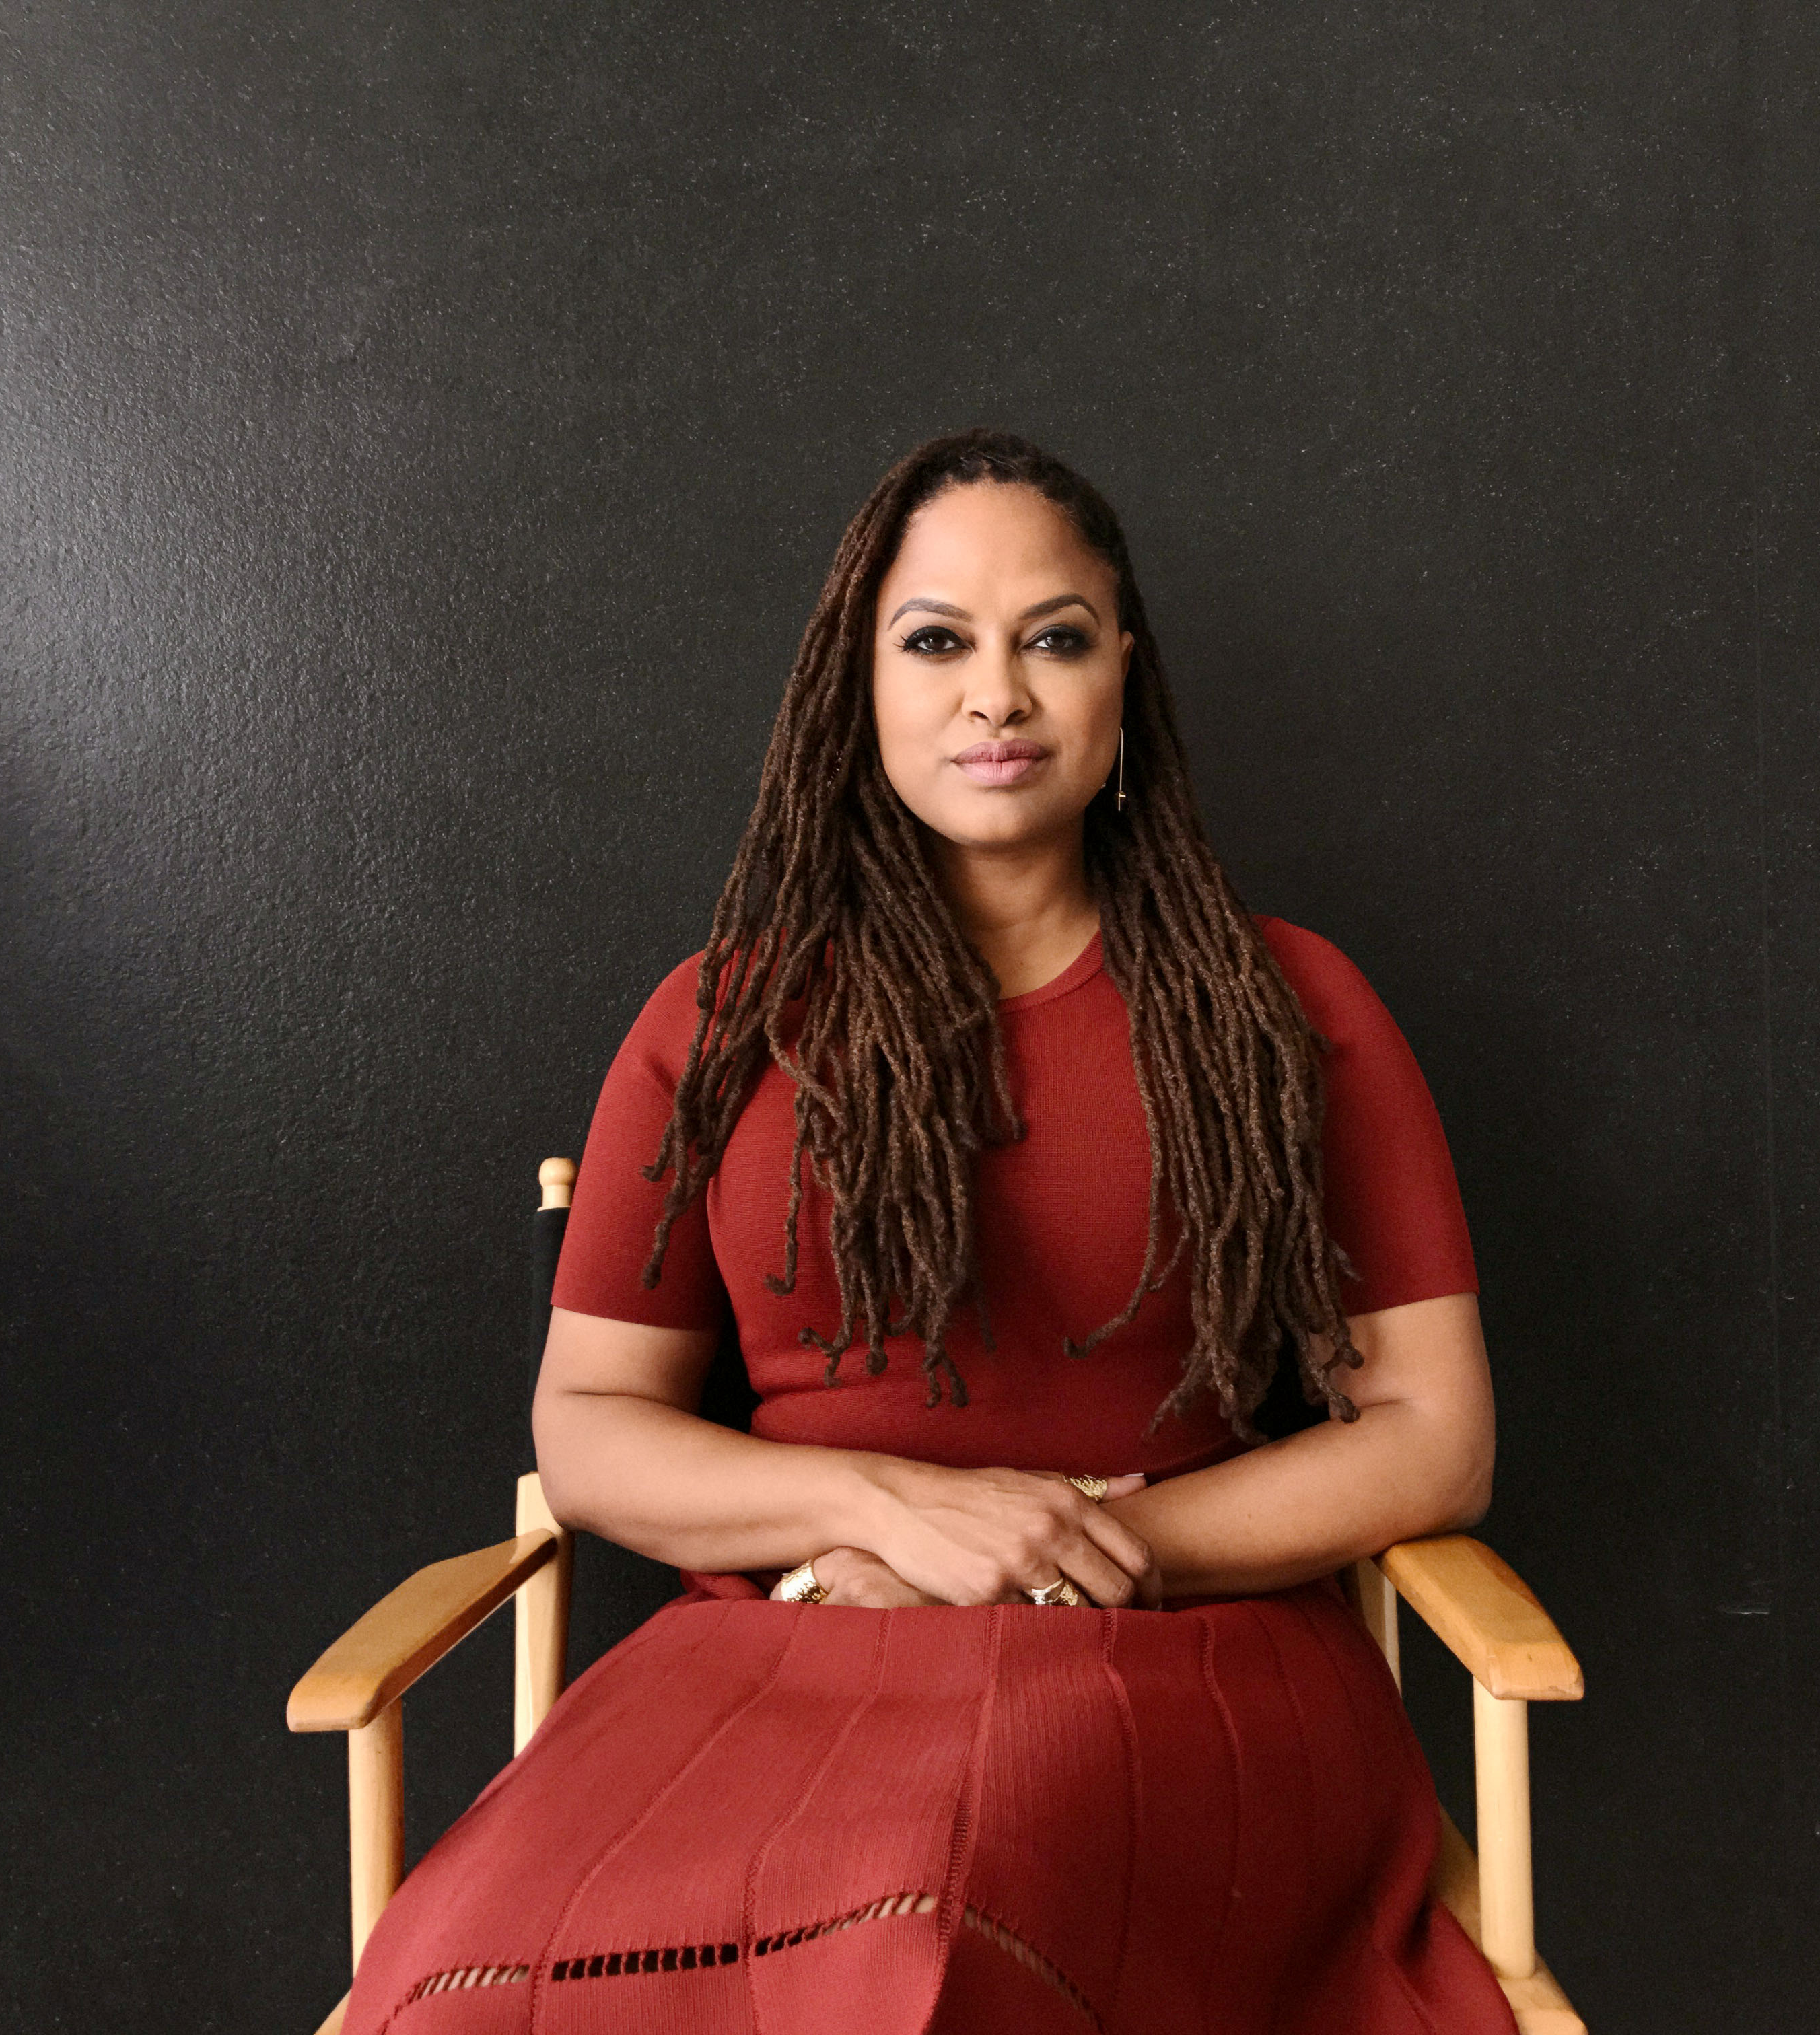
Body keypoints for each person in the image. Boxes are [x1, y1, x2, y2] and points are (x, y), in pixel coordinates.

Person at [341, 430, 1514, 2033]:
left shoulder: (1286, 1009)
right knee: (486, 1974)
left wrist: (1069, 1559)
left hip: (1182, 1656)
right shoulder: (720, 1024)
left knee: (945, 1924)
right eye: (939, 641)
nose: (996, 696)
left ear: (1125, 676)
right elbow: (592, 1426)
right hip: (788, 1643)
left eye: (1054, 639)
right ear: (860, 684)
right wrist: (890, 1513)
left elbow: (1438, 1437)